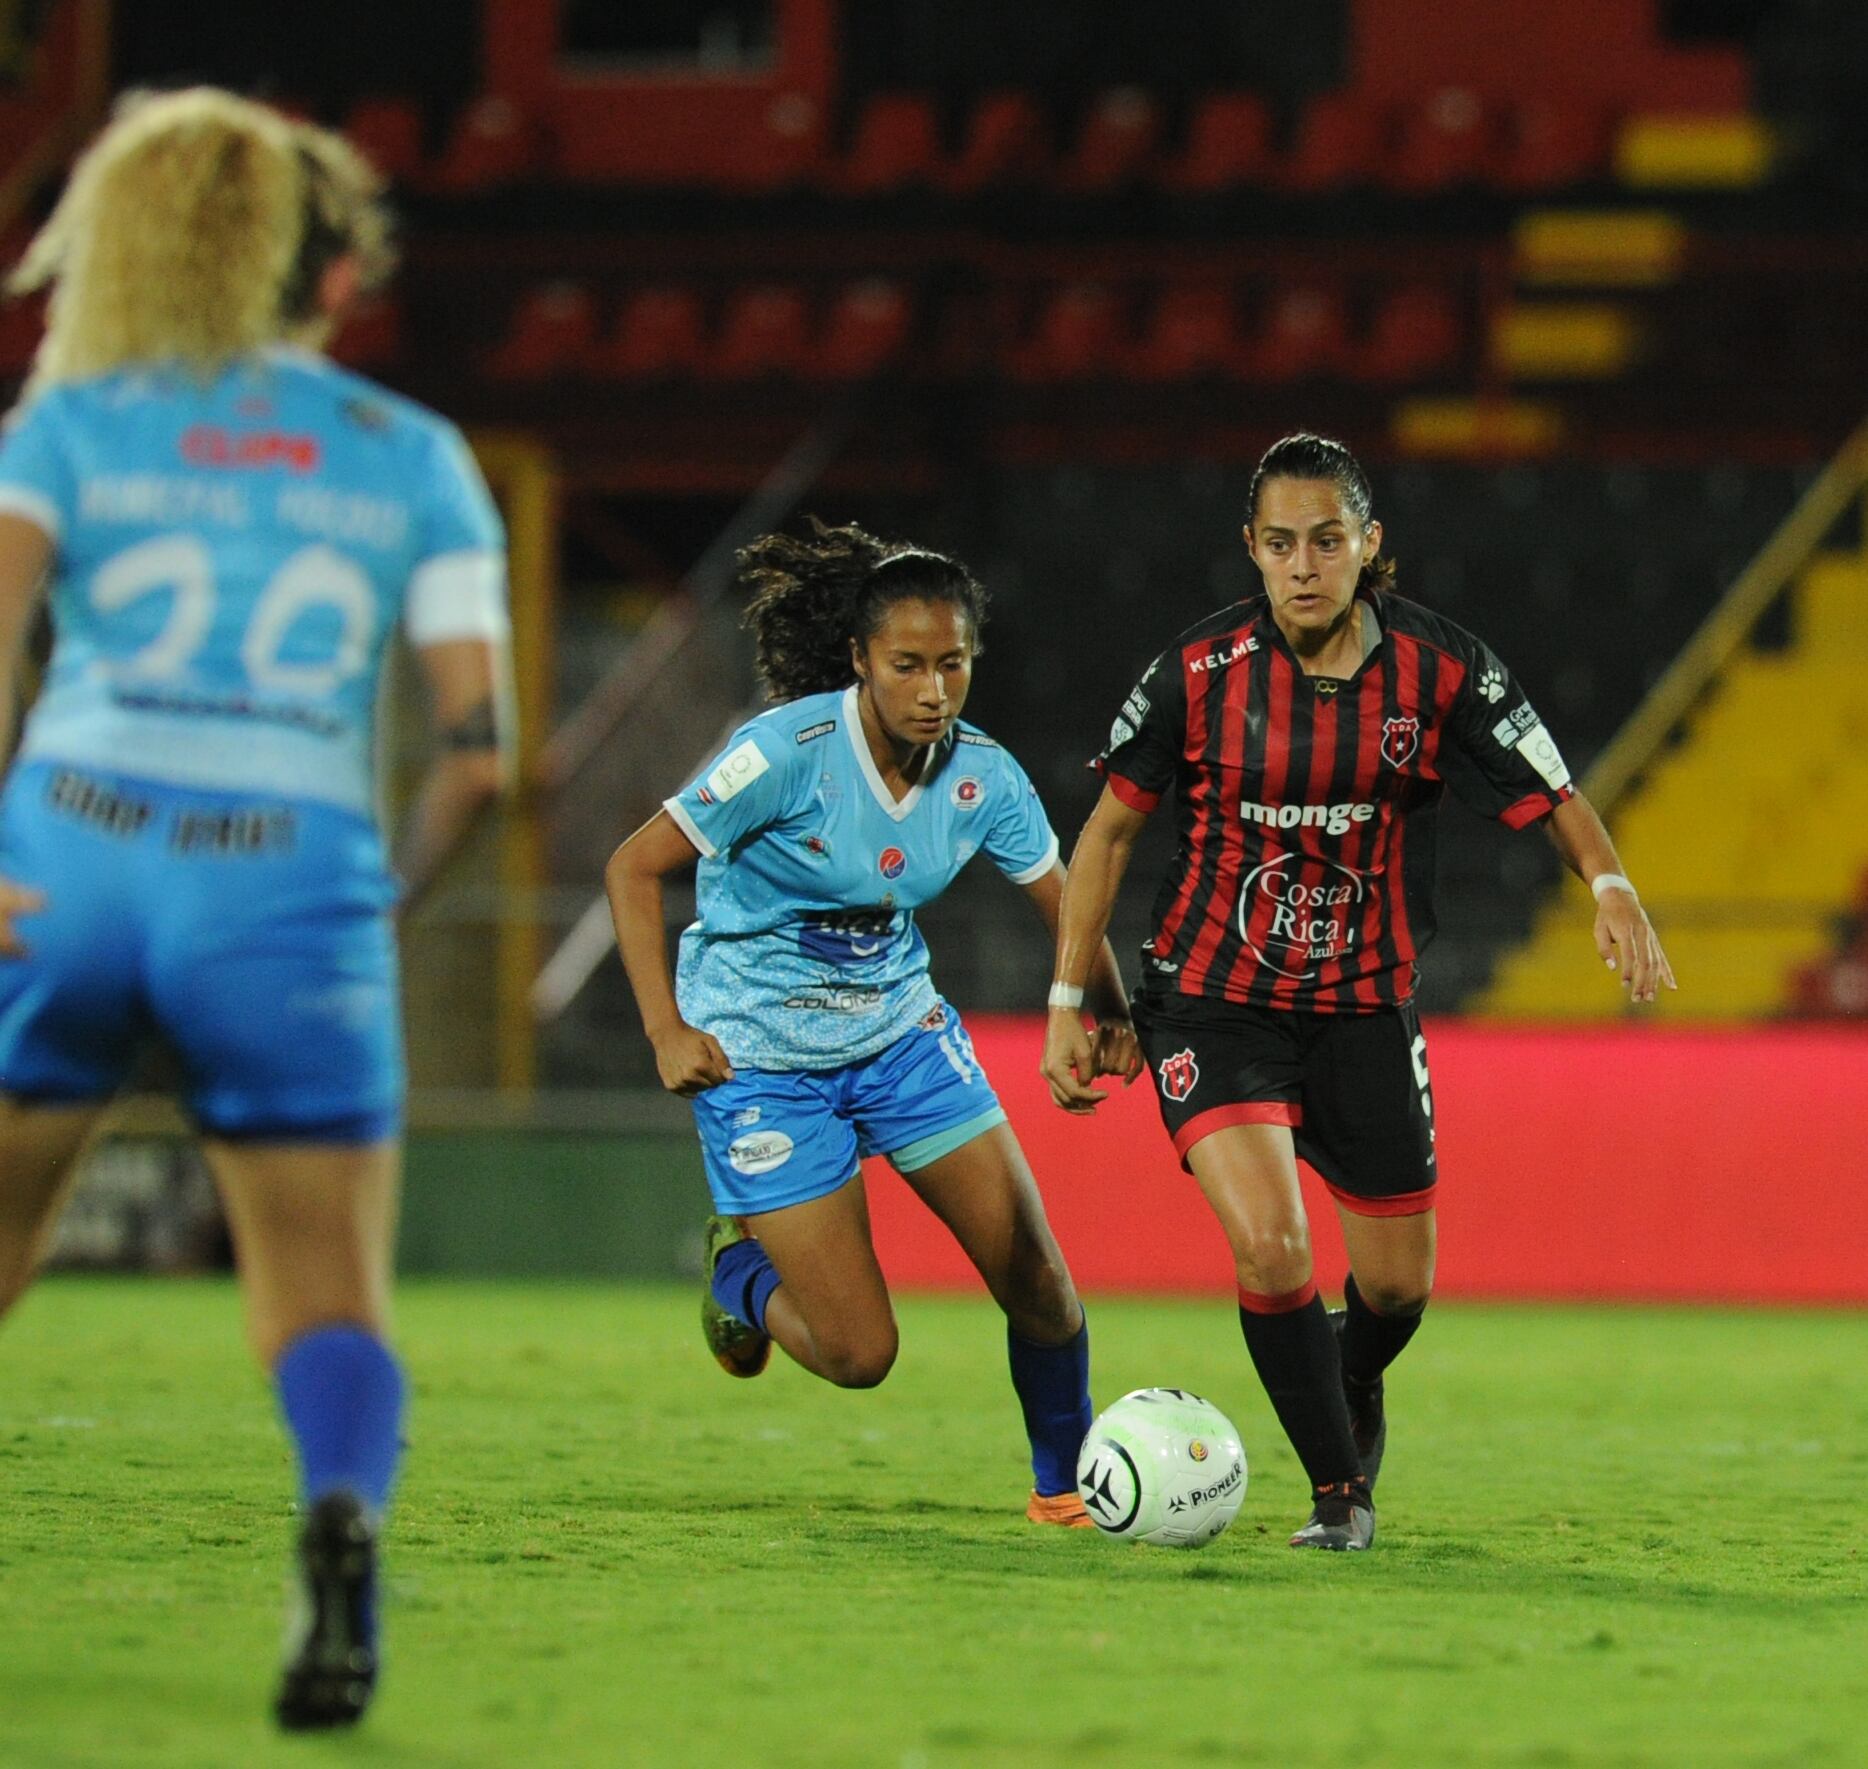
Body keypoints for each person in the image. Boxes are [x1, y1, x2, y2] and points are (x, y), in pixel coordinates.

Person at [0, 91, 513, 1724]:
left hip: (67, 855)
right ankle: (341, 1514)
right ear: (333, 275)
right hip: (288, 873)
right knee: (321, 1292)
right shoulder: (414, 456)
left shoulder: (71, 423)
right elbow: (479, 755)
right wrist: (369, 906)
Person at [1040, 433, 1674, 1551]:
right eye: (1280, 542)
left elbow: (1555, 790)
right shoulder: (1195, 672)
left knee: (1397, 1290)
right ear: (1251, 548)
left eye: (1326, 540)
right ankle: (1339, 1491)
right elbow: (1105, 835)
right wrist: (1066, 1002)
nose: (1303, 564)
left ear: (1368, 543)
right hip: (1210, 998)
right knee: (1273, 1247)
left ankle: (1344, 1368)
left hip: (1366, 1007)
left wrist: (1612, 887)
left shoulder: (1441, 669)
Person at [605, 518, 1139, 1525]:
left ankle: (1063, 1490)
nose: (934, 689)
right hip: (760, 1061)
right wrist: (665, 1030)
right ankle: (737, 1272)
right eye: (907, 665)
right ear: (859, 659)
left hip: (899, 1040)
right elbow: (632, 866)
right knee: (860, 1353)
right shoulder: (781, 753)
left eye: (953, 663)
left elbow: (1068, 902)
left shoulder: (982, 775)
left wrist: (1102, 1007)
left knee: (1039, 1280)